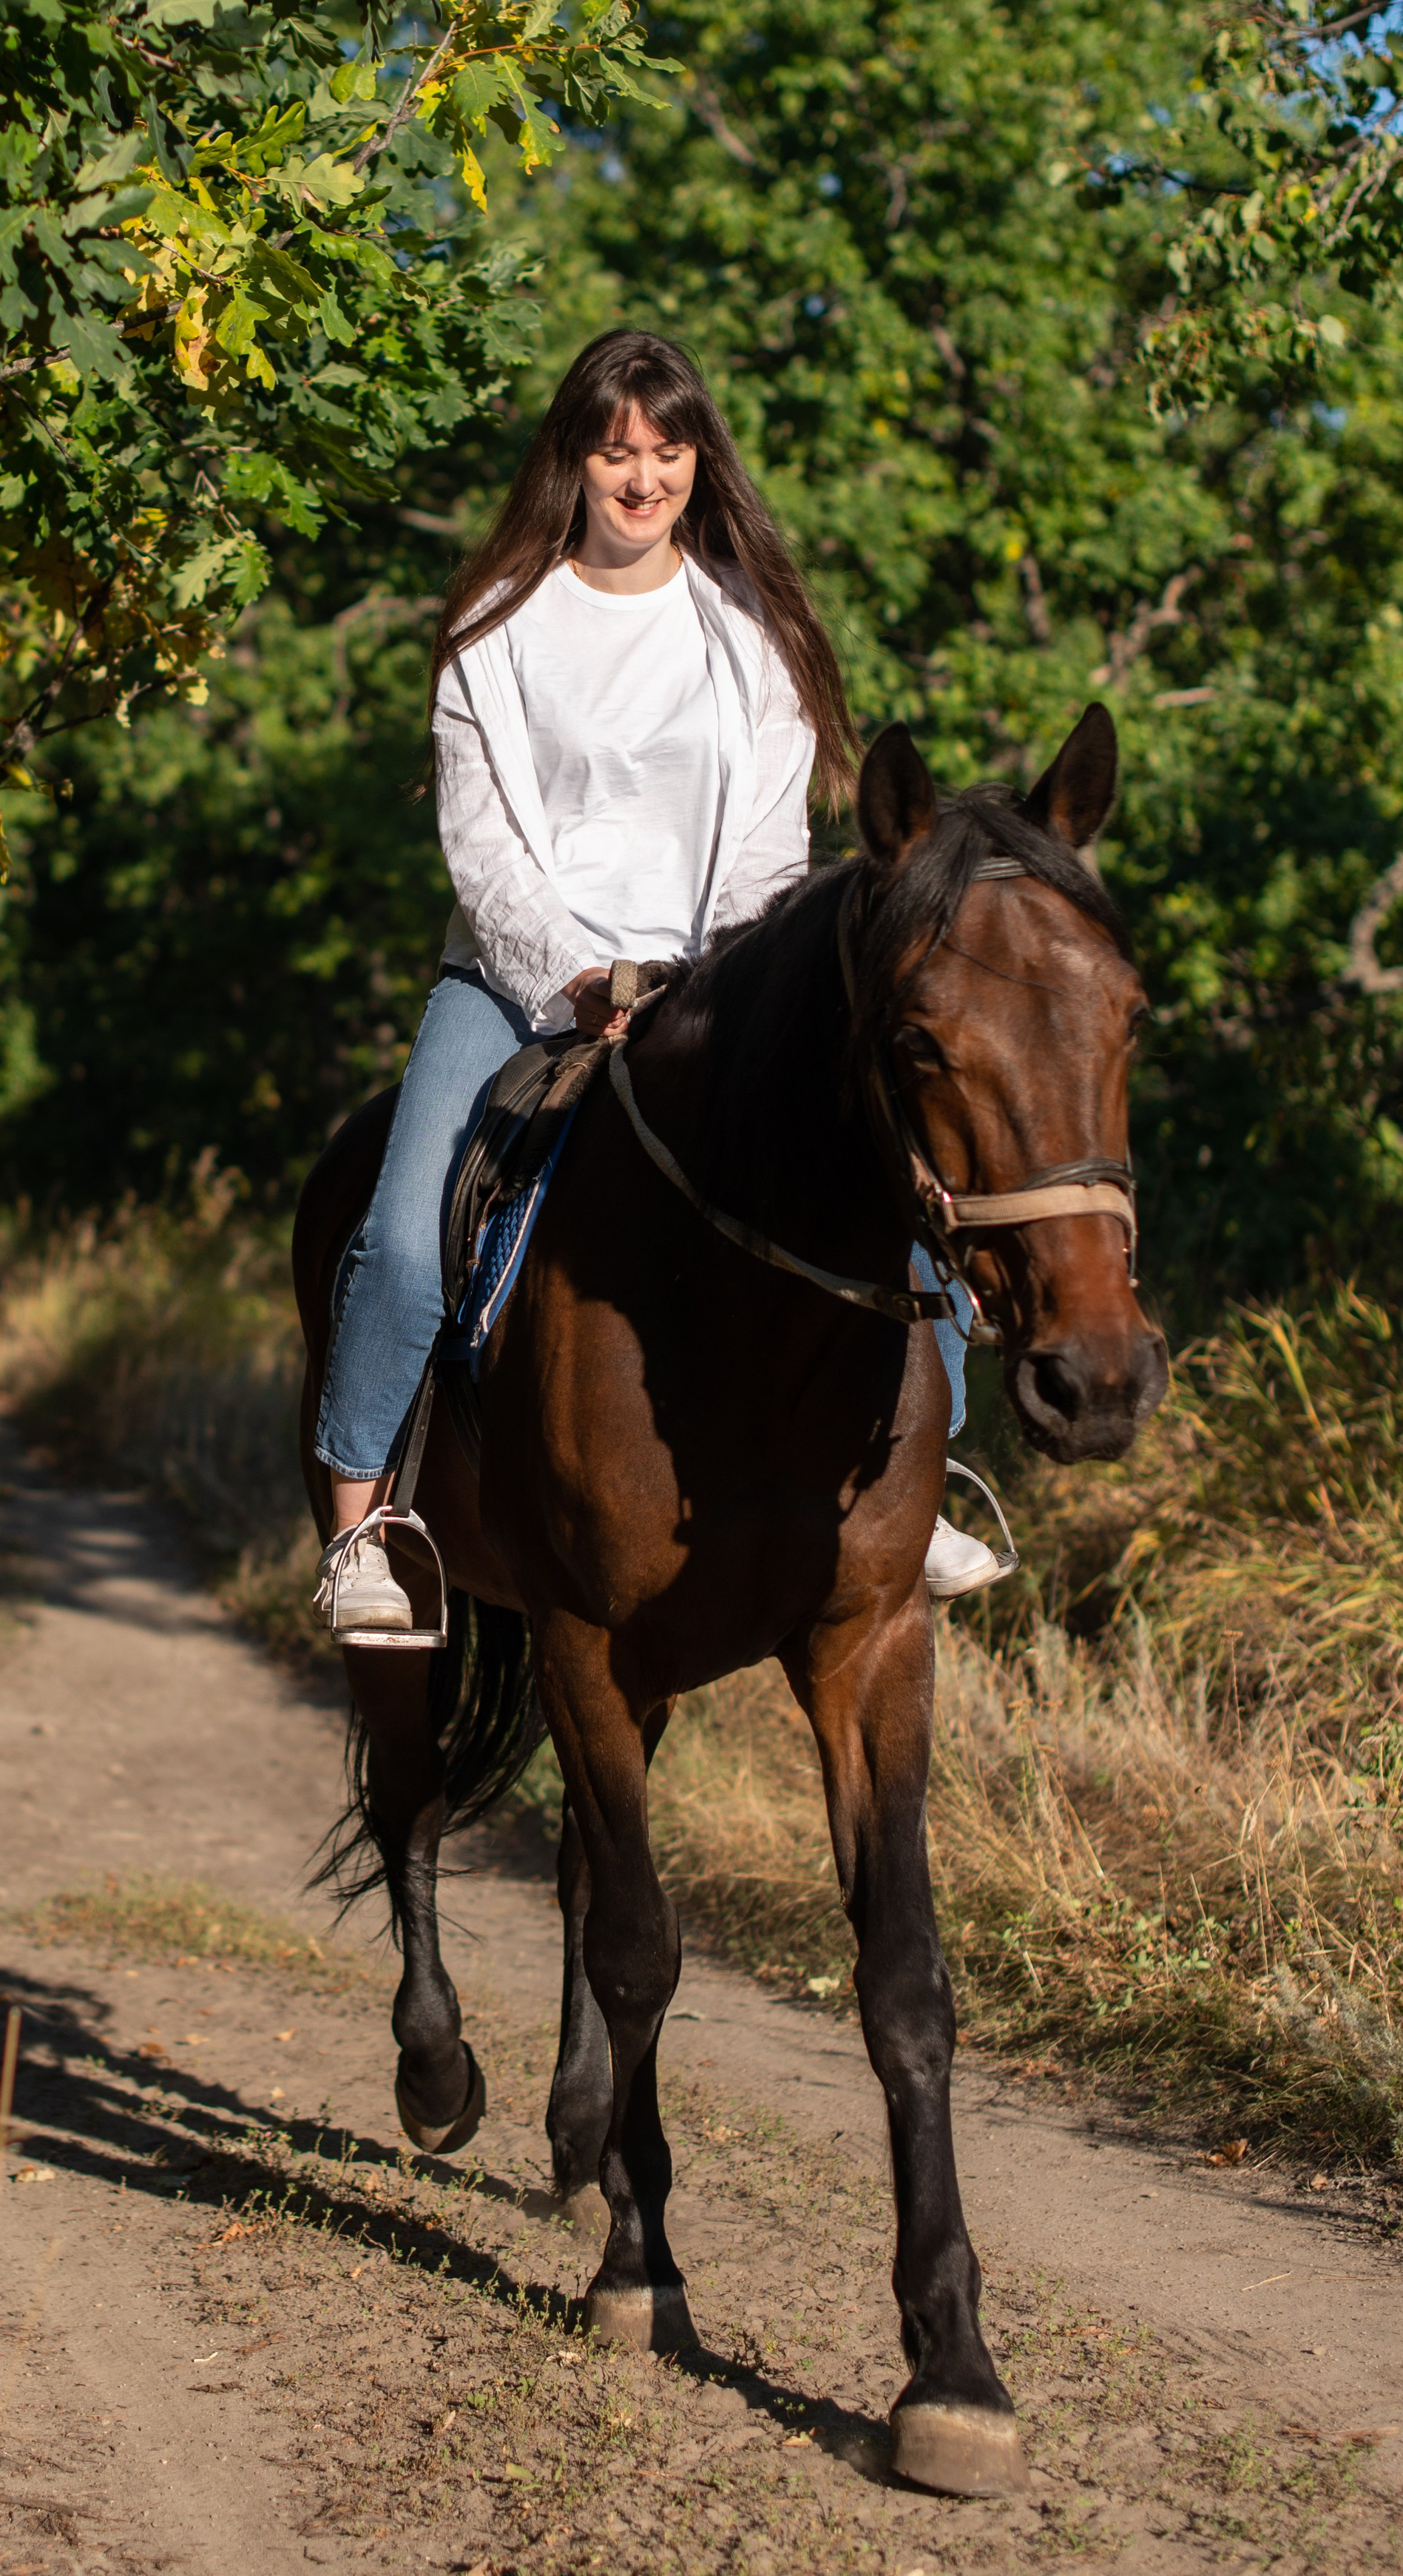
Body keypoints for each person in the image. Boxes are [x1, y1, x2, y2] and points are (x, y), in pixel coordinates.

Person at [312, 328, 1002, 1642]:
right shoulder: (494, 625)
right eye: (616, 450)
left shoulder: (750, 630)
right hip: (520, 979)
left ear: (700, 460)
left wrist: (712, 984)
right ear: (572, 458)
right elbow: (480, 838)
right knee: (402, 1236)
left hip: (710, 983)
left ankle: (932, 1476)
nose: (642, 478)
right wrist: (574, 972)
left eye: (667, 452)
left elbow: (767, 840)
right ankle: (364, 1524)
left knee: (904, 1181)